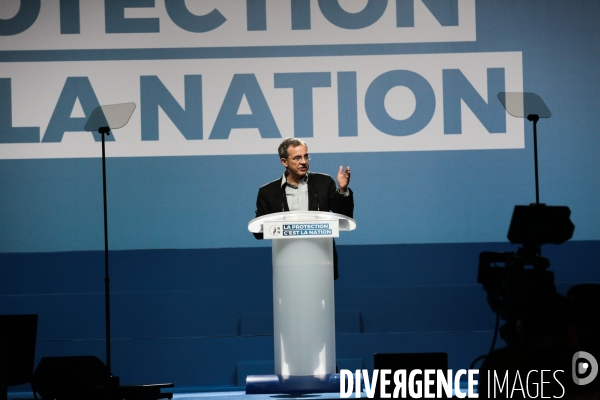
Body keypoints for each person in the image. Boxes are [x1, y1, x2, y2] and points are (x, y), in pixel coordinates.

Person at [253, 137, 354, 279]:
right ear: (284, 162)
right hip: (286, 264)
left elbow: (345, 216)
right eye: (297, 158)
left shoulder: (324, 183)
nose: (304, 162)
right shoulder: (268, 192)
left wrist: (343, 190)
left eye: (306, 156)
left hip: (321, 261)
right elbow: (258, 232)